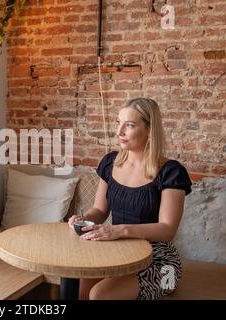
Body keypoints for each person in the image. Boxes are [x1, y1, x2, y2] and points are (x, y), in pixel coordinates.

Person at [68, 97, 192, 300]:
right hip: (118, 250)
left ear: (149, 130)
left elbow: (167, 229)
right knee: (82, 283)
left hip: (160, 260)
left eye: (130, 125)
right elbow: (99, 211)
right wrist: (84, 220)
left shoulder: (171, 172)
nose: (119, 132)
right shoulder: (110, 162)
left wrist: (120, 230)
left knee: (100, 294)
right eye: (119, 123)